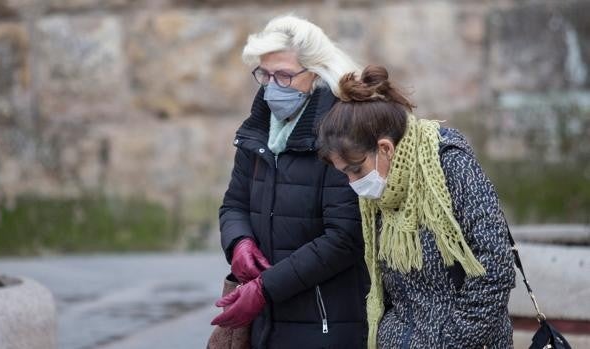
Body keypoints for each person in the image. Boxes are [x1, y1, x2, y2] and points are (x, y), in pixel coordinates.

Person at [316, 65, 516, 349]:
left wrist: (451, 342)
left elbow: (495, 269)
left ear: (385, 148)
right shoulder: (383, 192)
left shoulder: (451, 165)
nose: (352, 183)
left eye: (356, 170)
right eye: (344, 173)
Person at [210, 15, 369, 348]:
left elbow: (344, 237)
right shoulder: (258, 130)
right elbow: (234, 203)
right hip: (265, 323)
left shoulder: (342, 130)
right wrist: (238, 242)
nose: (272, 86)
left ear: (316, 73)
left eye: (284, 75)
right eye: (264, 75)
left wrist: (265, 288)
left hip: (327, 322)